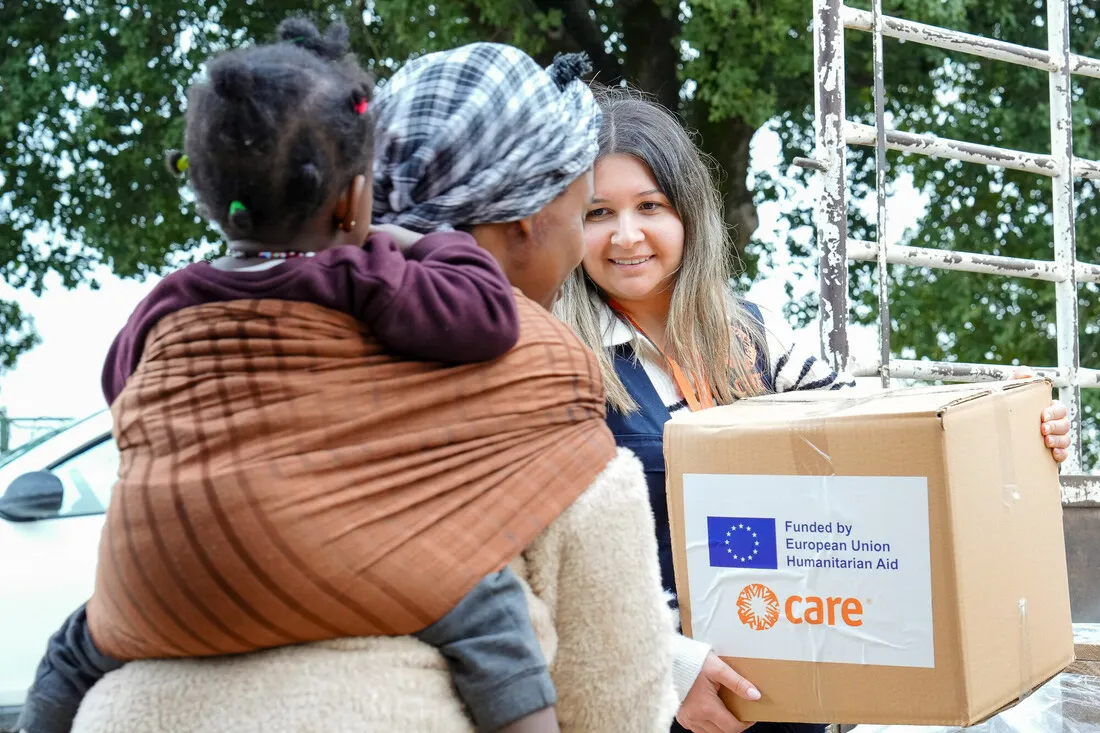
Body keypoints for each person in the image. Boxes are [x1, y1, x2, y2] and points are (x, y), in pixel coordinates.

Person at [18, 22, 615, 733]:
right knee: (486, 608)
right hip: (337, 561)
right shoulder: (363, 274)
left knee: (71, 649)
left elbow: (126, 389)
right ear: (353, 200)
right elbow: (483, 318)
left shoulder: (173, 296)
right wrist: (430, 243)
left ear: (210, 195)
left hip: (164, 576)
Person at [554, 85, 1074, 733]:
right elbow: (548, 561)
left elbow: (878, 444)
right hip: (658, 701)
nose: (626, 235)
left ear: (688, 211)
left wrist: (1018, 437)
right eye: (598, 212)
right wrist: (671, 665)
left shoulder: (751, 333)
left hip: (793, 682)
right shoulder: (557, 360)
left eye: (650, 206)